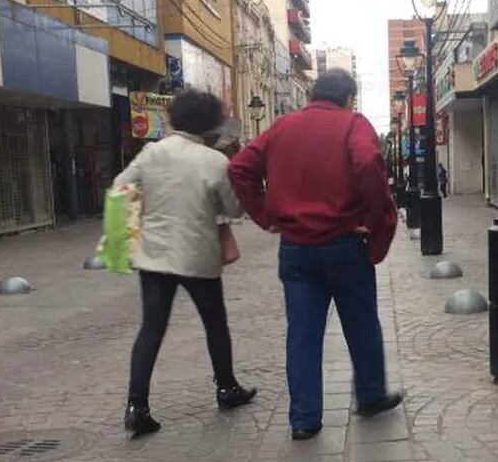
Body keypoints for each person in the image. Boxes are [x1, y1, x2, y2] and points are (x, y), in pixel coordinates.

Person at [228, 69, 402, 441]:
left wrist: (266, 215)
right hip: (343, 242)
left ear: (310, 94)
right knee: (361, 322)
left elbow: (240, 168)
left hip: (296, 248)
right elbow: (369, 161)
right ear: (349, 98)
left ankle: (304, 419)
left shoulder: (282, 127)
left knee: (303, 333)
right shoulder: (353, 124)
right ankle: (370, 395)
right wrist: (374, 219)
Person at [113, 90, 257, 436]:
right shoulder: (214, 162)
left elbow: (121, 187)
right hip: (197, 253)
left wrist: (137, 224)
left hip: (154, 254)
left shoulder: (151, 153)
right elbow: (234, 209)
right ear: (210, 123)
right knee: (214, 323)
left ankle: (137, 404)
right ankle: (226, 387)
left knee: (151, 328)